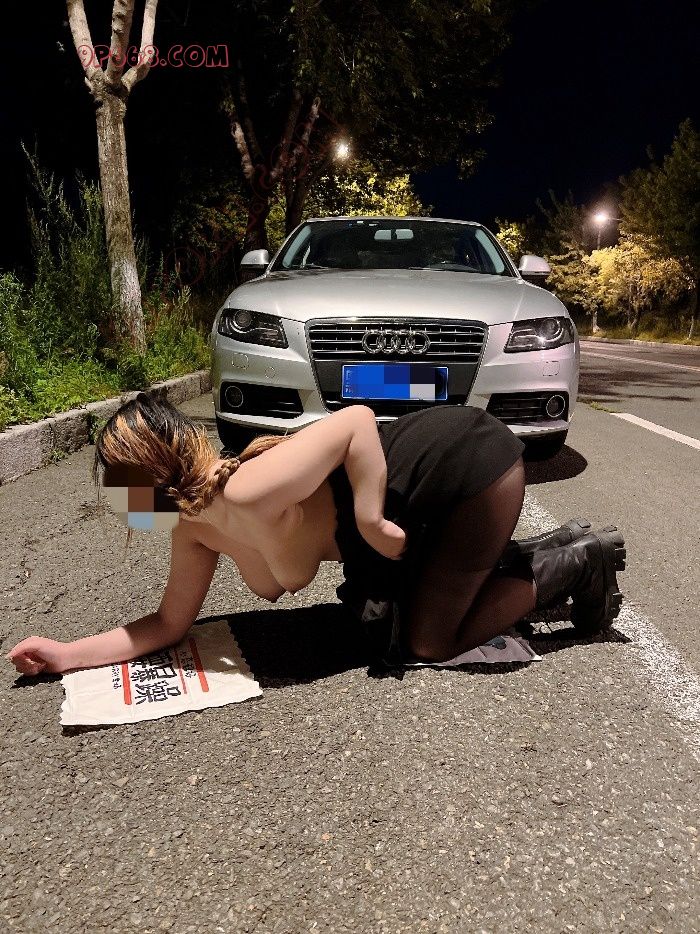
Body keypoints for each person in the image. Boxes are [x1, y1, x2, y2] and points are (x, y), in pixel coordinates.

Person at [6, 392, 626, 676]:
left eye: (118, 490)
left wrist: (368, 518)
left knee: (428, 643)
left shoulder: (246, 488)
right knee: (396, 615)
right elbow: (168, 625)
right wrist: (67, 654)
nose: (118, 510)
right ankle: (543, 550)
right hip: (423, 512)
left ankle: (578, 561)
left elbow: (356, 423)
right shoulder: (193, 534)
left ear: (149, 476)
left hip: (465, 468)